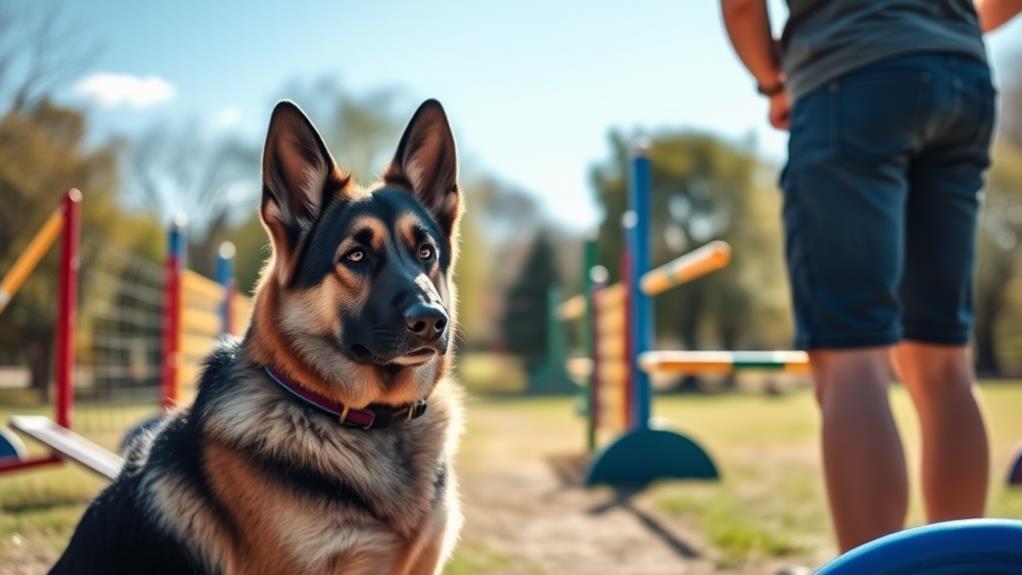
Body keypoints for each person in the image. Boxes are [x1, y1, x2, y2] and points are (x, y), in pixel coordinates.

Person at [719, 0, 1022, 553]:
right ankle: (959, 571)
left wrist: (772, 83)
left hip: (849, 78)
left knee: (851, 359)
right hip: (961, 78)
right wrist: (937, 20)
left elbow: (741, 7)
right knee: (943, 361)